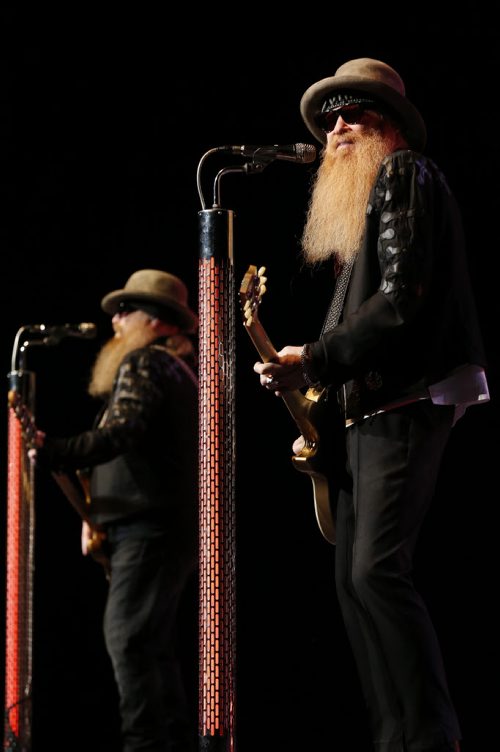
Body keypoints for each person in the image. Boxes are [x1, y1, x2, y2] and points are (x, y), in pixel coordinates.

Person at [253, 58, 490, 752]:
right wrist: (309, 380)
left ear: (390, 127)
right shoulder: (359, 227)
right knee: (354, 585)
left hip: (404, 402)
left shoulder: (404, 174)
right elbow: (354, 328)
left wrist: (316, 360)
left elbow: (404, 301)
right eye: (330, 121)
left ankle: (430, 737)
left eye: (356, 114)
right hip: (366, 413)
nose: (338, 129)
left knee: (376, 571)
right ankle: (397, 738)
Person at [35, 268, 199, 752]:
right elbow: (142, 450)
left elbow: (121, 433)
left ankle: (145, 745)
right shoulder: (177, 372)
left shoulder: (146, 364)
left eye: (127, 311)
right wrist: (99, 513)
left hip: (150, 532)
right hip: (154, 530)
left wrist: (54, 448)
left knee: (128, 639)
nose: (116, 321)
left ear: (160, 321)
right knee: (150, 646)